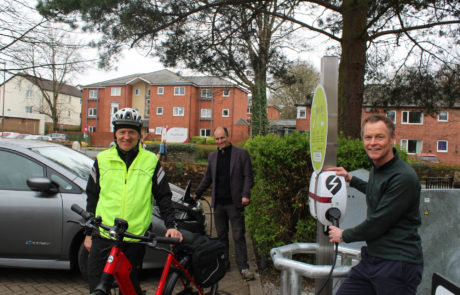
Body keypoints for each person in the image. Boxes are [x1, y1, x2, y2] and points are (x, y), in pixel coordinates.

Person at [85, 107, 182, 293]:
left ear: (139, 135)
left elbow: (163, 196)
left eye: (132, 132)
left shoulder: (150, 161)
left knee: (128, 287)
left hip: (134, 238)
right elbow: (92, 196)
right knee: (96, 286)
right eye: (122, 132)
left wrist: (171, 225)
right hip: (104, 235)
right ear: (115, 134)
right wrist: (88, 233)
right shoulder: (102, 160)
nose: (126, 137)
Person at [326, 114, 423, 295]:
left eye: (380, 137)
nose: (373, 143)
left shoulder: (403, 177)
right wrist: (351, 179)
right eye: (368, 137)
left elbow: (379, 222)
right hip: (373, 259)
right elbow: (376, 191)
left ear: (392, 138)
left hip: (398, 264)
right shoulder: (378, 166)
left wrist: (345, 235)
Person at [194, 126, 255, 281]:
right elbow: (207, 178)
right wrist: (196, 194)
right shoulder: (213, 157)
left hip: (235, 203)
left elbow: (248, 176)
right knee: (221, 236)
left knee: (238, 235)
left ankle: (244, 267)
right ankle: (224, 263)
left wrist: (245, 194)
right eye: (217, 139)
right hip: (219, 204)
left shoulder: (241, 154)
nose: (219, 141)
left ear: (228, 137)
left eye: (222, 138)